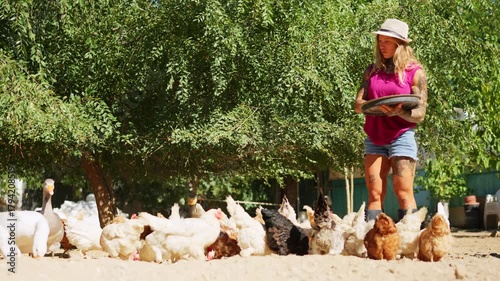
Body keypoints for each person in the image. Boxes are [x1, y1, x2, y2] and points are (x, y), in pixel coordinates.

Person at [353, 19, 428, 221]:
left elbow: (420, 113)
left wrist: (399, 113)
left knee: (403, 190)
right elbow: (358, 104)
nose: (382, 45)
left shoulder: (415, 73)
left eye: (387, 41)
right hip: (374, 137)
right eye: (380, 41)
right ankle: (372, 237)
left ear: (399, 44)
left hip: (401, 135)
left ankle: (410, 239)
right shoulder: (372, 71)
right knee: (374, 192)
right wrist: (375, 106)